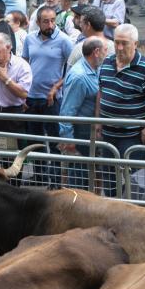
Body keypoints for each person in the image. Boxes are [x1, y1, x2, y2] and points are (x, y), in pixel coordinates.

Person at [97, 23, 145, 195]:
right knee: (109, 177)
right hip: (108, 134)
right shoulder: (107, 62)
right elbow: (101, 92)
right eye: (117, 42)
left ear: (135, 44)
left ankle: (134, 212)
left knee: (135, 180)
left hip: (132, 137)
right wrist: (97, 121)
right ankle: (112, 210)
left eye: (125, 43)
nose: (120, 47)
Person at [21, 5, 73, 187]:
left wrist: (56, 87)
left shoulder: (64, 41)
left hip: (52, 99)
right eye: (46, 21)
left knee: (54, 141)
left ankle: (56, 181)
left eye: (53, 21)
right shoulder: (29, 39)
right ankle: (40, 175)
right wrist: (23, 93)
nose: (50, 25)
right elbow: (25, 66)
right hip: (31, 97)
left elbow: (73, 69)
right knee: (34, 140)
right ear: (38, 23)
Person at [58, 37, 106, 189]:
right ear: (96, 52)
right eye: (105, 50)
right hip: (80, 136)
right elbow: (66, 112)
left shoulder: (94, 69)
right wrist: (69, 140)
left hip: (89, 134)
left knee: (89, 178)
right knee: (78, 182)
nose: (107, 53)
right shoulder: (80, 76)